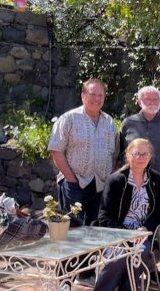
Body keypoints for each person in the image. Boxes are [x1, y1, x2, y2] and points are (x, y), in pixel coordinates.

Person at [92, 138, 160, 291]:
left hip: (143, 235)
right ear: (128, 155)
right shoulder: (116, 180)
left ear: (150, 157)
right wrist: (125, 234)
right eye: (136, 153)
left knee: (140, 255)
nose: (140, 158)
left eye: (144, 154)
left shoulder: (156, 180)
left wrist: (146, 228)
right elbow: (104, 216)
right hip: (118, 234)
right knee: (118, 258)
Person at [49, 78, 118, 227]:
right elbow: (56, 150)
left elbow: (114, 154)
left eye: (100, 95)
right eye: (92, 94)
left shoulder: (110, 122)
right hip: (74, 183)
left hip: (100, 184)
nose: (96, 99)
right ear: (83, 96)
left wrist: (109, 178)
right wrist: (71, 179)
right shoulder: (69, 119)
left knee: (96, 227)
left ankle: (93, 252)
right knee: (73, 228)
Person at [119, 85, 160, 187]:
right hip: (131, 183)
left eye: (155, 99)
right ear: (139, 102)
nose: (152, 103)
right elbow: (121, 152)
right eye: (147, 99)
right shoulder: (128, 123)